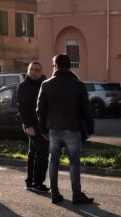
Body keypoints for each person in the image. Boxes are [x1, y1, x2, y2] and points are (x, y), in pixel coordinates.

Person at [36, 53, 95, 205]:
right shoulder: (78, 85)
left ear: (56, 66)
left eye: (53, 65)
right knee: (74, 163)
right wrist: (90, 128)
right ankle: (77, 194)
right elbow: (86, 110)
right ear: (69, 66)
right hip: (72, 129)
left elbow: (40, 110)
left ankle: (54, 193)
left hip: (54, 130)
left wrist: (43, 130)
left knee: (53, 162)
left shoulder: (46, 84)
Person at [17, 61, 49, 193]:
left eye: (37, 70)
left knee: (33, 153)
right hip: (32, 125)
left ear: (41, 72)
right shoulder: (23, 86)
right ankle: (38, 183)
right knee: (43, 152)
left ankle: (30, 182)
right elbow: (21, 108)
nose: (34, 72)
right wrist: (28, 125)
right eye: (32, 69)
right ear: (28, 71)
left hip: (41, 124)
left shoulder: (44, 84)